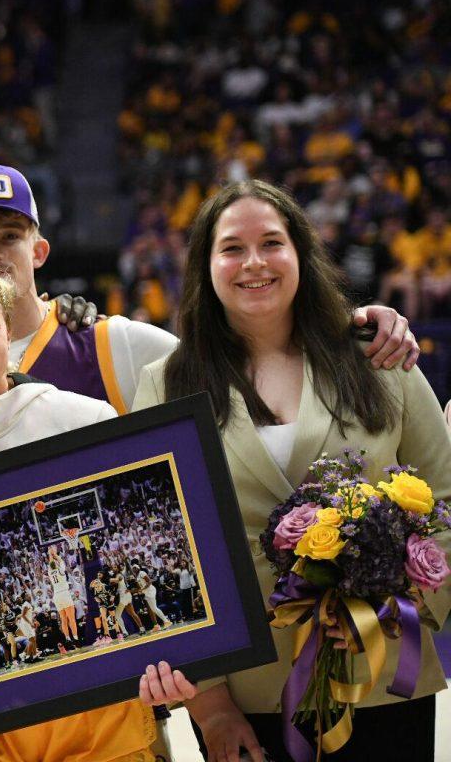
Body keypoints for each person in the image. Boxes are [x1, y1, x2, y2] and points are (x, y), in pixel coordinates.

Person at [133, 179, 451, 762]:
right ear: (206, 266)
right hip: (248, 694)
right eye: (231, 248)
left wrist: (397, 602)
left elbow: (446, 490)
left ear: (301, 253)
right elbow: (159, 549)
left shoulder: (376, 354)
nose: (254, 263)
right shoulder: (164, 383)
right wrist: (211, 705)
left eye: (272, 243)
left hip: (386, 676)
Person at [0, 259, 194, 762]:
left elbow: (143, 564)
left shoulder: (84, 420)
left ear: (8, 332)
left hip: (102, 730)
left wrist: (175, 657)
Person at [0, 163, 423, 453]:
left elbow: (255, 356)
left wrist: (348, 327)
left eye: (9, 235)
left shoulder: (116, 342)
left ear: (40, 250)